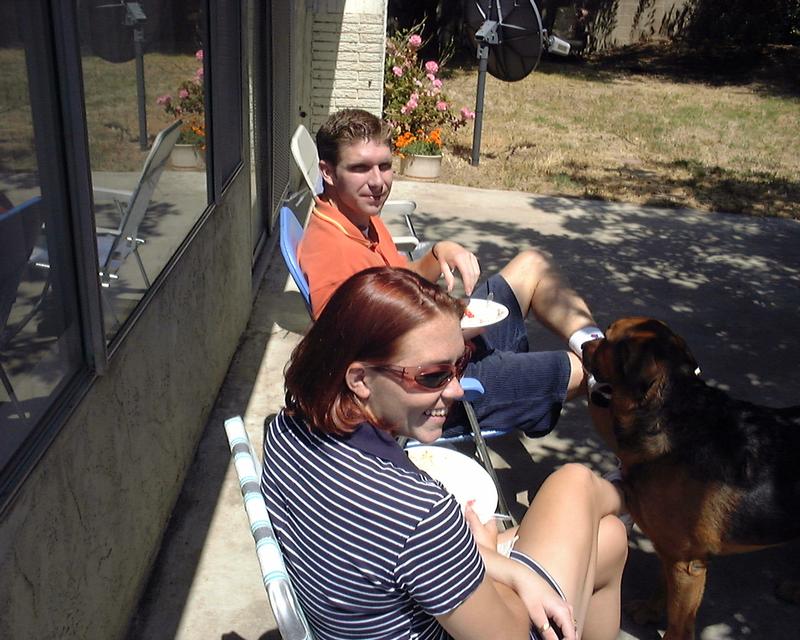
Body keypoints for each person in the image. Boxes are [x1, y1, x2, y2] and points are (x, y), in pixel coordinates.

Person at [261, 266, 628, 640]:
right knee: (575, 481)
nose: (456, 389)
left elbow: (395, 553)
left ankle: (628, 497)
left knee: (611, 539)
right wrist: (490, 558)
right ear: (360, 379)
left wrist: (495, 563)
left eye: (460, 364)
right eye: (433, 375)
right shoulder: (418, 512)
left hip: (367, 610)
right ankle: (633, 494)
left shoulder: (284, 431)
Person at [298, 108, 610, 442]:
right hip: (437, 386)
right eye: (360, 168)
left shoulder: (358, 216)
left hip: (453, 346)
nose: (377, 182)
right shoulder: (333, 255)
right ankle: (619, 422)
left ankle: (594, 346)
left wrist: (439, 254)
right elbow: (362, 360)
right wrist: (451, 328)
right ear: (327, 172)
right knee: (600, 373)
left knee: (533, 264)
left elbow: (402, 279)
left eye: (384, 166)